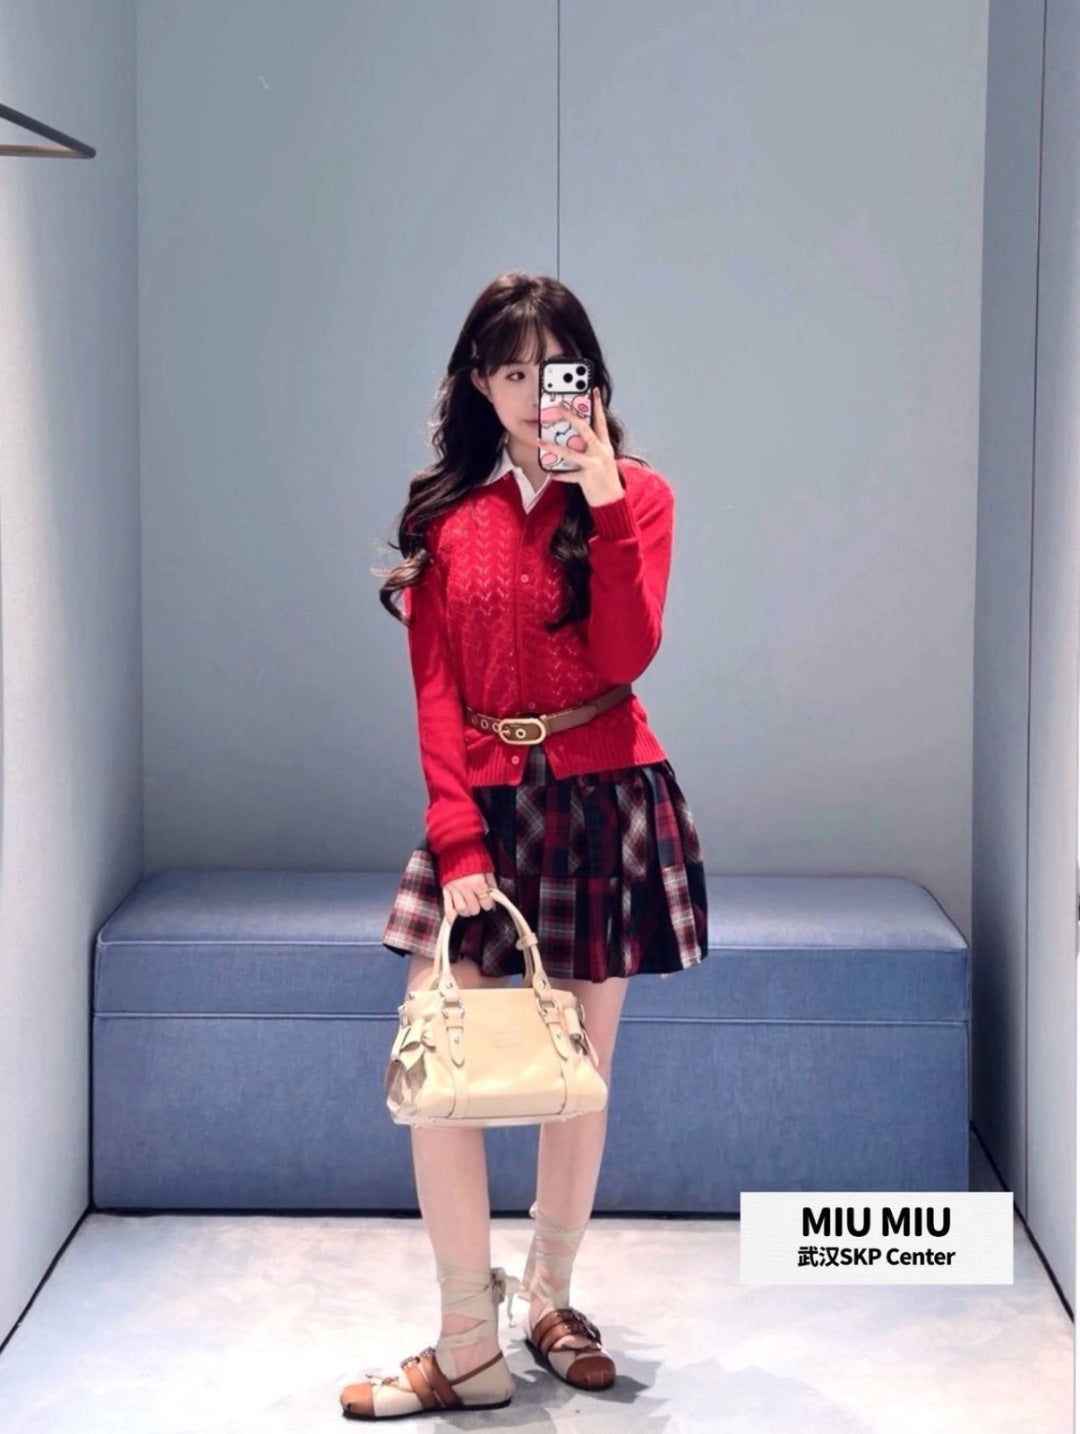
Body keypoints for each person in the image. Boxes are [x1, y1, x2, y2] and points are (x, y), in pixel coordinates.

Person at [340, 271, 708, 1420]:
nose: (538, 391)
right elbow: (435, 693)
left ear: (588, 377)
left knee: (579, 1072)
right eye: (512, 371)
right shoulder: (447, 522)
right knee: (437, 1056)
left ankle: (551, 1300)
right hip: (484, 810)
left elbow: (627, 654)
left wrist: (602, 499)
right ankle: (466, 1340)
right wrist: (456, 836)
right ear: (479, 386)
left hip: (605, 798)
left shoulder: (639, 497)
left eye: (557, 369)